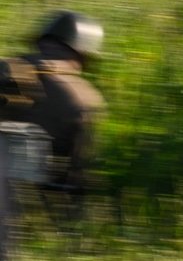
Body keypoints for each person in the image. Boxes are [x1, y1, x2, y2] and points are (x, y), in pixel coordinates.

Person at [0, 11, 106, 195]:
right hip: (26, 195)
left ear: (41, 41)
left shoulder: (7, 67)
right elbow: (77, 169)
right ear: (84, 53)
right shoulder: (86, 98)